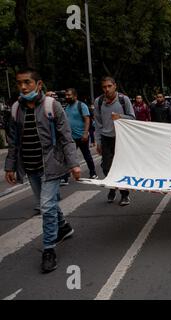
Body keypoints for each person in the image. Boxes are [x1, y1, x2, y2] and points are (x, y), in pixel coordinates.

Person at [4, 68, 81, 273]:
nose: (23, 86)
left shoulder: (51, 106)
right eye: (20, 83)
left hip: (52, 166)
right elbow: (13, 141)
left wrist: (74, 164)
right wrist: (10, 166)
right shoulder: (15, 109)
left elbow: (65, 137)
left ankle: (49, 250)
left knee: (46, 207)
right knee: (46, 204)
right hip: (30, 167)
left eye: (27, 82)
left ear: (38, 84)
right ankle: (63, 226)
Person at [95, 76, 136, 206]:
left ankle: (124, 195)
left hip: (121, 139)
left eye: (109, 86)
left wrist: (120, 117)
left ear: (115, 86)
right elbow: (98, 123)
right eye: (104, 87)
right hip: (106, 139)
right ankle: (112, 188)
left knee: (122, 167)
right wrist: (98, 141)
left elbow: (132, 118)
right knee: (106, 168)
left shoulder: (124, 100)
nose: (107, 89)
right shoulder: (99, 101)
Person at [62, 88, 98, 182]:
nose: (67, 97)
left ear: (75, 96)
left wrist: (85, 133)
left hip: (82, 136)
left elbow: (87, 119)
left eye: (69, 95)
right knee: (68, 157)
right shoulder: (66, 107)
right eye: (66, 95)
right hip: (71, 138)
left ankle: (93, 173)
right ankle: (65, 177)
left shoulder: (81, 106)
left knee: (87, 155)